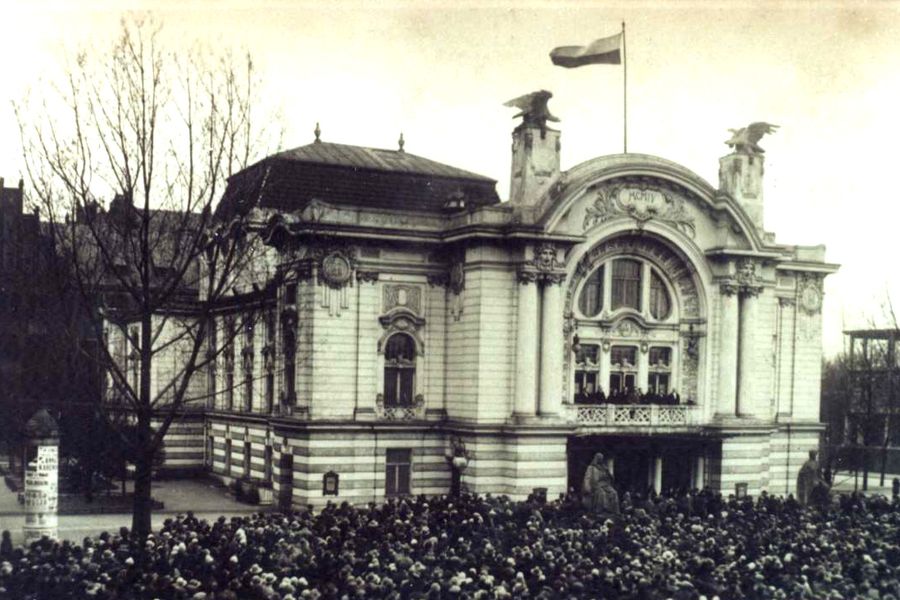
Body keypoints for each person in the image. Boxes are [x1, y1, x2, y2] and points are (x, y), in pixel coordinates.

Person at [582, 452, 620, 516]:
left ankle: (615, 511)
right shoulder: (591, 467)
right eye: (599, 458)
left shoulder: (604, 468)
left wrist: (608, 472)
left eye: (601, 458)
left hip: (605, 484)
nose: (600, 459)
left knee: (614, 493)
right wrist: (587, 488)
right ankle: (601, 511)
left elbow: (610, 478)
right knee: (602, 493)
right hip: (596, 485)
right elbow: (587, 478)